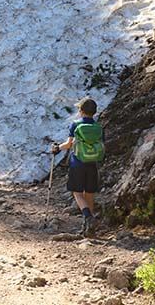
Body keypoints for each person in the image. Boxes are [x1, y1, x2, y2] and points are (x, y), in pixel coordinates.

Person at [52, 97, 104, 236]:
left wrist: (57, 148)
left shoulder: (76, 125)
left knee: (77, 193)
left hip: (78, 163)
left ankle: (87, 216)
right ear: (94, 112)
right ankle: (89, 229)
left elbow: (69, 145)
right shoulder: (98, 127)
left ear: (81, 110)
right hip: (92, 163)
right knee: (90, 194)